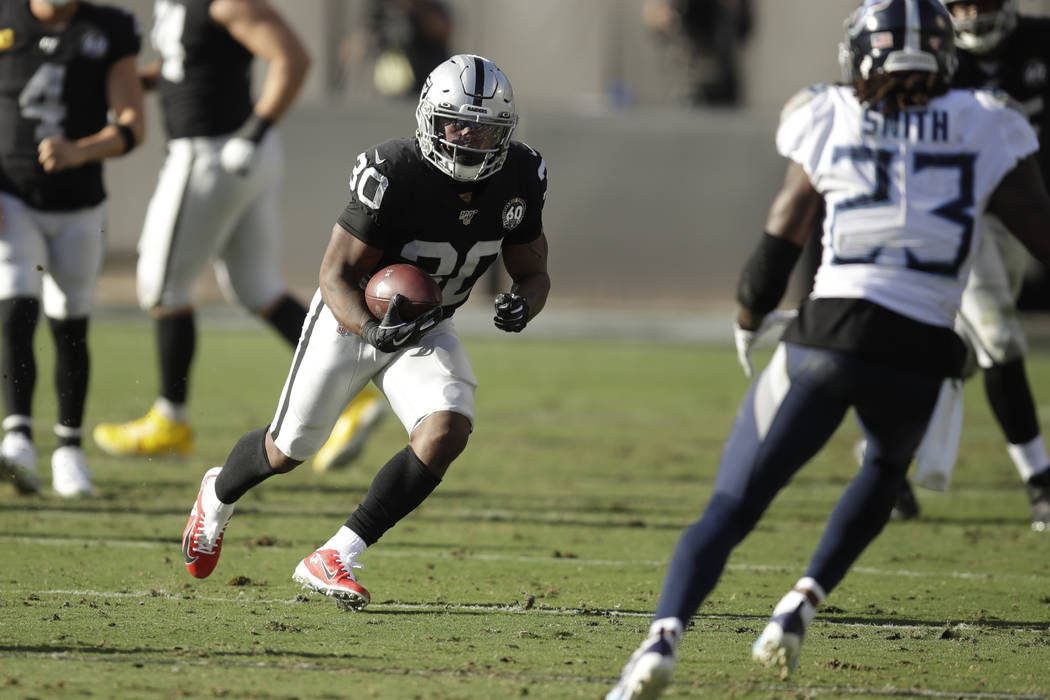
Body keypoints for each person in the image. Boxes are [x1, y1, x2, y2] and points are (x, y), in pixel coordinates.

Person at [607, 0, 1050, 696]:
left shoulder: (829, 110)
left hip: (830, 331)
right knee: (884, 467)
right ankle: (800, 602)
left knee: (729, 508)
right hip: (923, 348)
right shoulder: (988, 119)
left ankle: (660, 642)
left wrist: (751, 309)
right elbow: (1038, 229)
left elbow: (787, 222)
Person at [179, 54, 550, 609]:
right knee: (288, 449)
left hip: (427, 324)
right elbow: (334, 275)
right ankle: (218, 493)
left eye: (486, 128)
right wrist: (372, 331)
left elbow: (533, 271)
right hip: (352, 320)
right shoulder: (393, 171)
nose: (471, 138)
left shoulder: (520, 174)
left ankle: (337, 554)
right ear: (429, 117)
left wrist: (525, 303)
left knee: (447, 430)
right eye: (457, 123)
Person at [91, 0, 384, 472]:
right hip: (232, 154)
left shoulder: (222, 2)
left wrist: (256, 129)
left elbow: (293, 56)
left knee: (160, 286)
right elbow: (187, 64)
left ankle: (170, 418)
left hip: (213, 152)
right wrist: (131, 81)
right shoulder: (177, 7)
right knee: (256, 288)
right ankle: (352, 397)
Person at [882, 0, 1050, 527]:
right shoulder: (934, 51)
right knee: (998, 336)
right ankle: (1041, 481)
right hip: (965, 210)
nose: (974, 15)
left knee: (962, 356)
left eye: (985, 3)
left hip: (1024, 211)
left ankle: (884, 465)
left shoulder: (1041, 40)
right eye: (962, 5)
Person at [0, 0, 144, 497]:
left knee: (71, 323)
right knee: (15, 304)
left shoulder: (106, 27)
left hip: (80, 203)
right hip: (13, 194)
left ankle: (68, 449)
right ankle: (17, 435)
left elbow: (132, 123)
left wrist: (79, 150)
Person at [642, 0, 752, 107]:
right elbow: (656, 20)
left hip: (723, 81)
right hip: (687, 82)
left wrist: (732, 7)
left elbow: (744, 27)